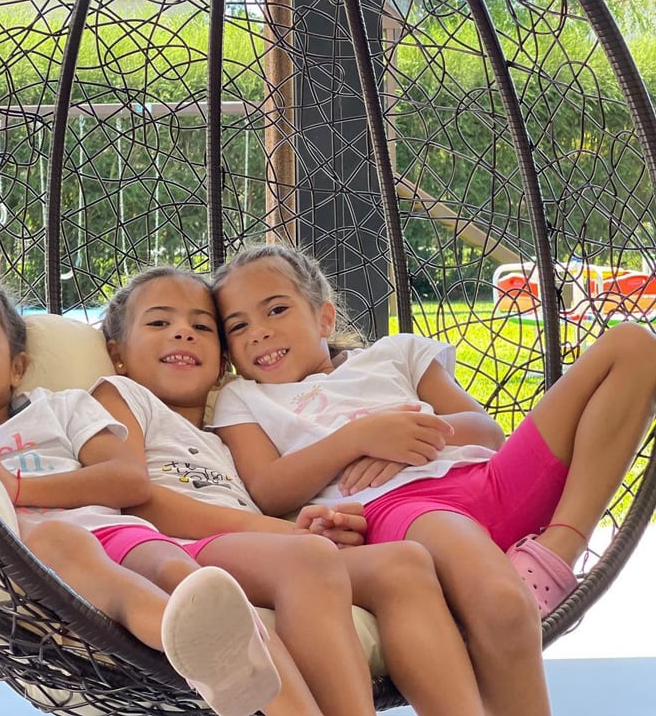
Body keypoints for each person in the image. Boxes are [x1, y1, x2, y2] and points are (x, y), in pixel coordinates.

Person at [209, 243, 656, 716]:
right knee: (503, 605)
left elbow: (487, 430)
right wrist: (361, 437)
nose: (259, 332)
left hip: (488, 479)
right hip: (406, 510)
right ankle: (523, 582)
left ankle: (556, 551)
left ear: (324, 317)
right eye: (238, 327)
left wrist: (410, 441)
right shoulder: (245, 399)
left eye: (276, 309)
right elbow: (267, 488)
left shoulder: (395, 354)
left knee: (635, 346)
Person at [0, 271, 328, 716]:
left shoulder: (62, 407)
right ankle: (189, 637)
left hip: (118, 528)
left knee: (190, 579)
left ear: (17, 366)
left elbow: (127, 479)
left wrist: (18, 485)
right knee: (69, 548)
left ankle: (252, 670)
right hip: (33, 558)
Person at [97, 266, 487, 716]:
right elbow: (138, 496)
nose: (184, 333)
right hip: (175, 551)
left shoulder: (230, 432)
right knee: (310, 558)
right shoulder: (122, 395)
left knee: (403, 563)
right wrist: (288, 537)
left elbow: (274, 497)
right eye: (160, 323)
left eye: (201, 326)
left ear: (223, 359)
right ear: (117, 353)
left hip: (258, 549)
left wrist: (313, 525)